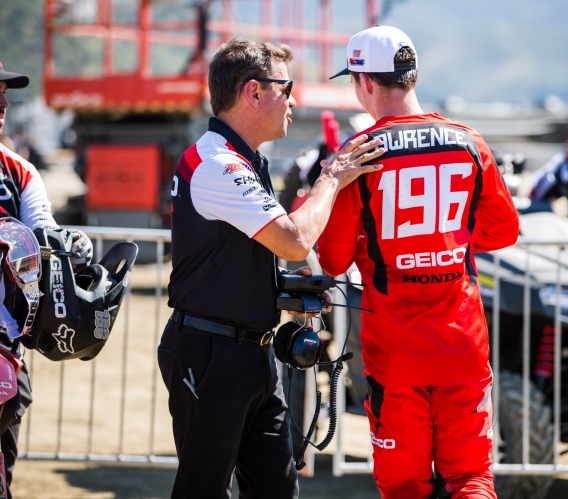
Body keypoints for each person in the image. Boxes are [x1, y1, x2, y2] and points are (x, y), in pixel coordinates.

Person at [157, 38, 384, 499]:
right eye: (287, 87)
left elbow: (236, 259)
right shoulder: (217, 162)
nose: (294, 99)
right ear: (253, 92)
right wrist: (332, 178)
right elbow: (295, 241)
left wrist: (281, 286)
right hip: (213, 353)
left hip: (249, 352)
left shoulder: (239, 158)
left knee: (278, 490)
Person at [318, 26, 520, 498]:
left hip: (396, 353)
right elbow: (503, 230)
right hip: (463, 344)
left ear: (366, 83)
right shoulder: (469, 142)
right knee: (471, 479)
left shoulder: (358, 154)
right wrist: (447, 244)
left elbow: (332, 257)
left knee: (405, 486)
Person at [0, 63, 92, 498]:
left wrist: (69, 244)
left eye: (4, 92)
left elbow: (43, 231)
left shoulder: (19, 172)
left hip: (4, 348)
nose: (3, 103)